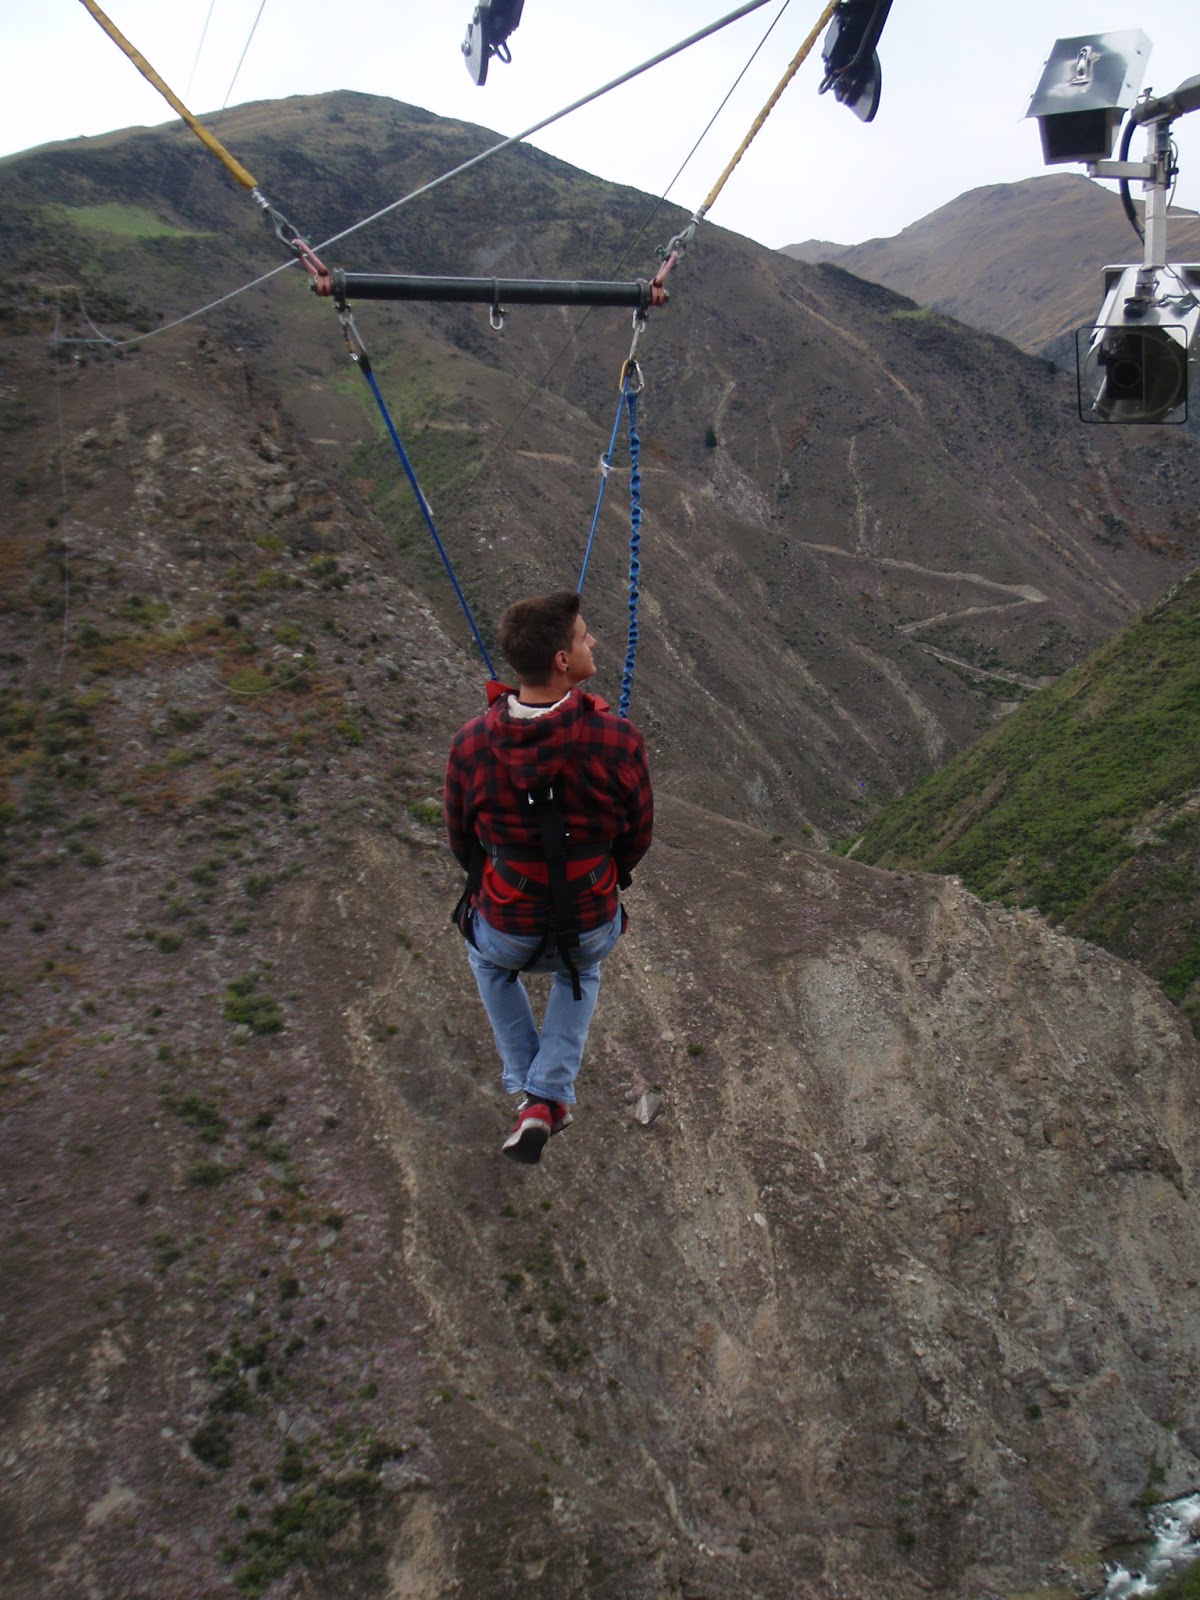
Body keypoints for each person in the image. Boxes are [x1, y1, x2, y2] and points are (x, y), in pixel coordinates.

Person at [444, 590, 653, 1164]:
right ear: (562, 660)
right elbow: (638, 836)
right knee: (581, 964)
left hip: (508, 920)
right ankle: (546, 1094)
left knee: (486, 958)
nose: (593, 643)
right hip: (589, 919)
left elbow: (462, 842)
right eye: (585, 637)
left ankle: (535, 1097)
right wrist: (605, 874)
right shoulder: (618, 739)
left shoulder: (470, 744)